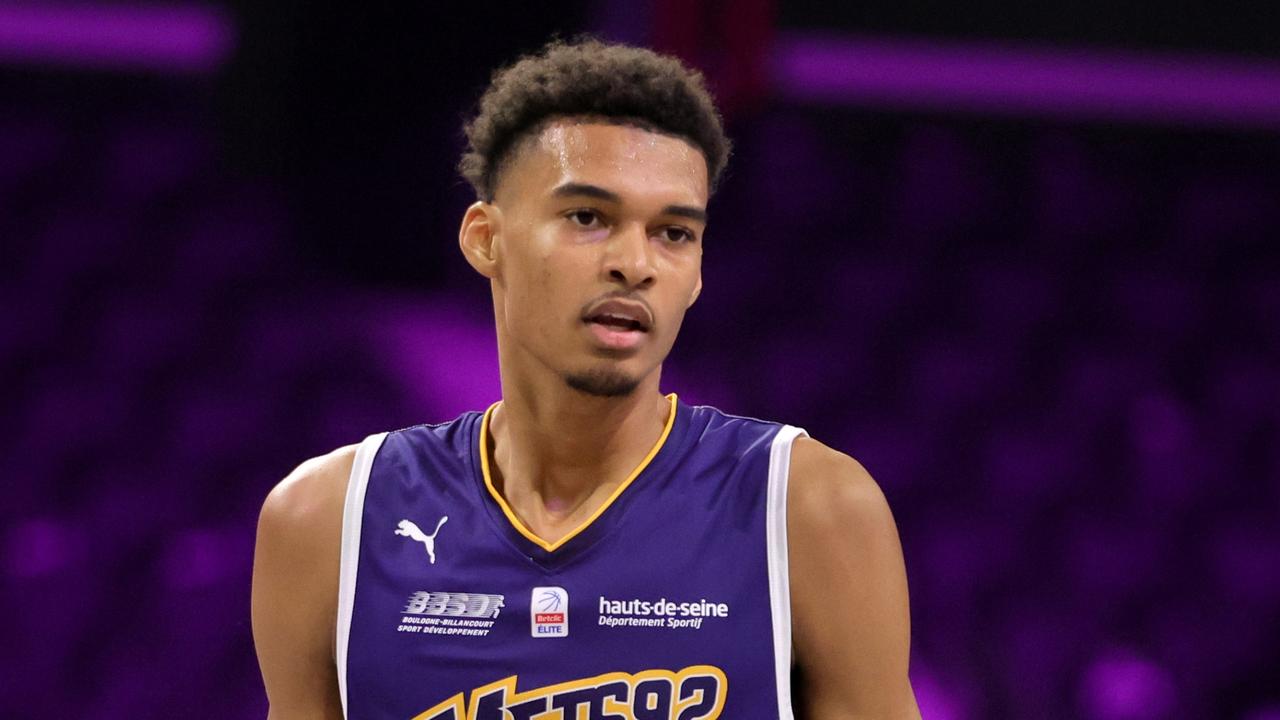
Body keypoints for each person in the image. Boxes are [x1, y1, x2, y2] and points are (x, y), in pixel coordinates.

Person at [252, 39, 920, 720]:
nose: (635, 263)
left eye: (673, 232)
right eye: (588, 218)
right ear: (487, 239)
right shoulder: (329, 520)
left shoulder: (809, 508)